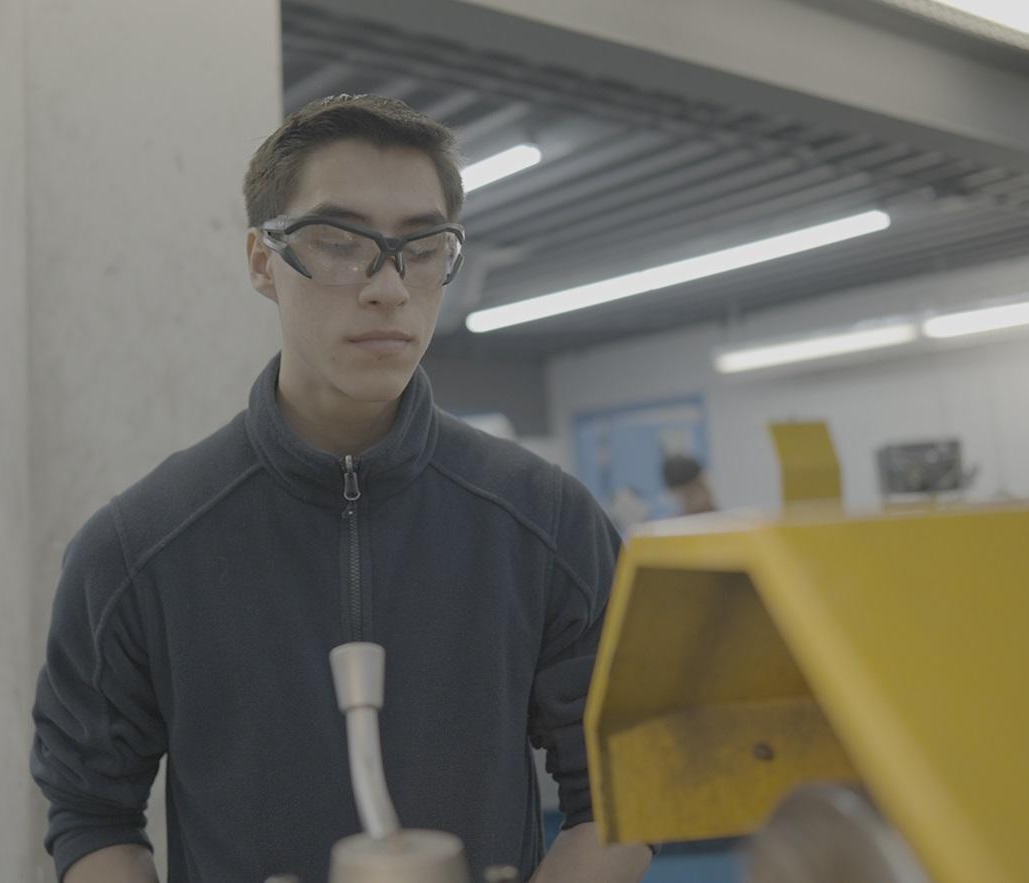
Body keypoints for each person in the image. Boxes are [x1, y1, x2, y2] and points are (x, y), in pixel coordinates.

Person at [32, 95, 651, 883]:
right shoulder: (137, 548)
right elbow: (91, 813)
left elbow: (621, 795)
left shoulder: (548, 522)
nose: (388, 286)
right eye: (338, 240)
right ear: (262, 261)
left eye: (422, 248)